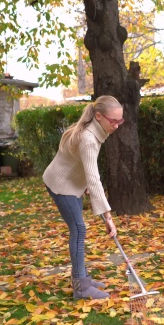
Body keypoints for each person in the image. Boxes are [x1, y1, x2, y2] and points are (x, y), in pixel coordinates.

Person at [43, 95, 124, 299]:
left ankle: (82, 278)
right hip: (62, 185)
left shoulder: (95, 133)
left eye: (119, 120)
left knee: (79, 229)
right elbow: (94, 178)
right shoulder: (88, 139)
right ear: (98, 116)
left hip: (72, 183)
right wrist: (108, 217)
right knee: (78, 229)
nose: (116, 125)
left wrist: (86, 184)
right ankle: (81, 287)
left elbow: (85, 170)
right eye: (113, 121)